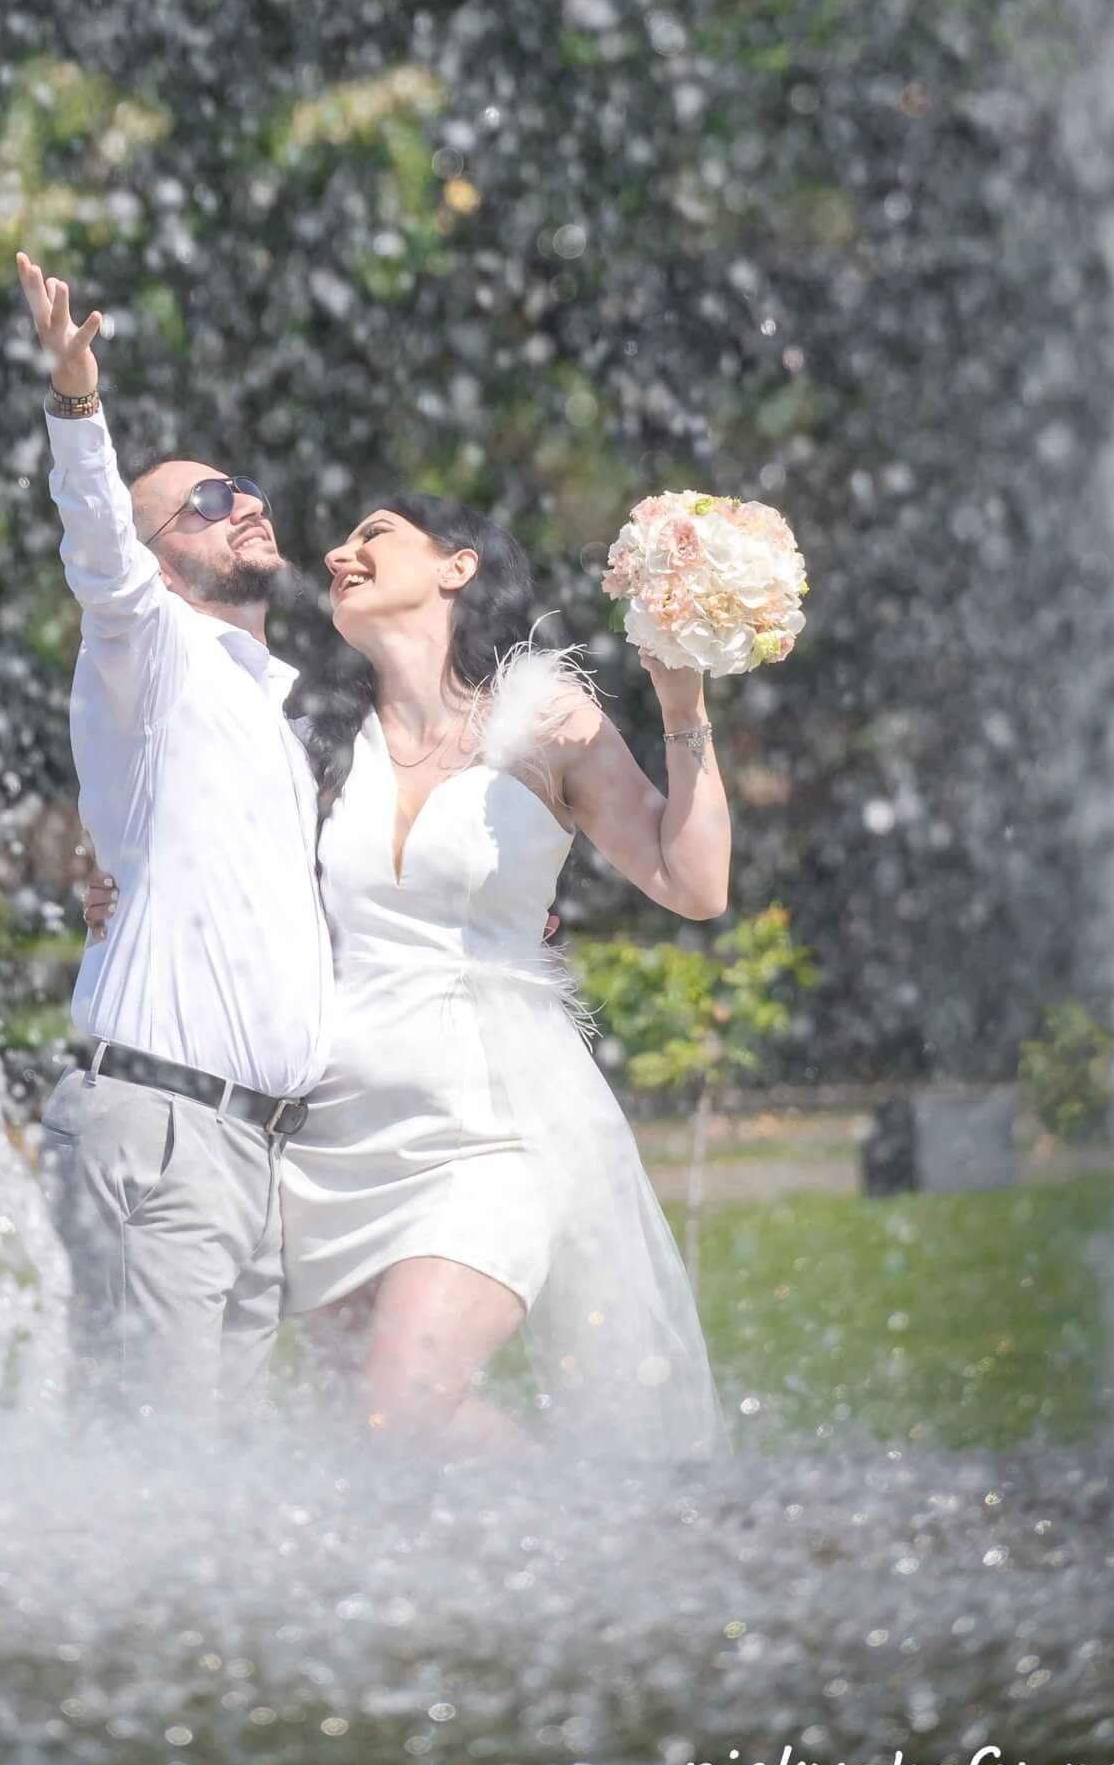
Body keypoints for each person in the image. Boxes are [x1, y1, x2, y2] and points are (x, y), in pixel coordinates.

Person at [89, 489, 734, 1459]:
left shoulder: (547, 720)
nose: (341, 552)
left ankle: (608, 1536)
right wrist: (124, 896)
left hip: (487, 1128)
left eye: (373, 536)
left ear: (456, 566)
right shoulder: (304, 740)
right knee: (373, 1443)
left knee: (400, 1407)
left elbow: (693, 882)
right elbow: (210, 882)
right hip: (324, 1142)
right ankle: (556, 1557)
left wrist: (684, 710)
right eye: (343, 540)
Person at [14, 251, 332, 1425]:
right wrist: (77, 403)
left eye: (242, 486)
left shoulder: (266, 704)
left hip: (251, 1150)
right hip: (161, 1126)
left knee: (215, 1503)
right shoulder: (147, 651)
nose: (243, 501)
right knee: (158, 1484)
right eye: (206, 499)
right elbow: (98, 550)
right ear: (158, 555)